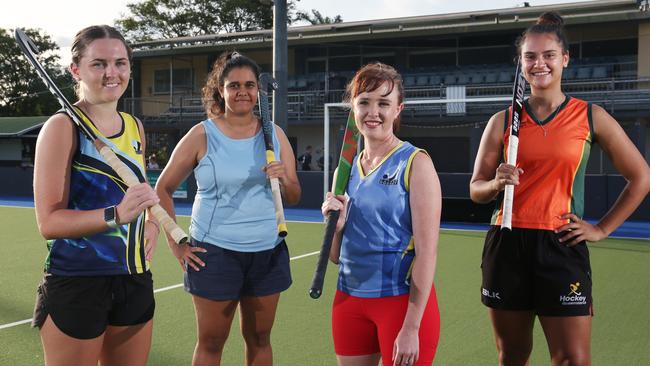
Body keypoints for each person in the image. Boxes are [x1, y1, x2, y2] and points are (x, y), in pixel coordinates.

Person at [470, 12, 650, 366]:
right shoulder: (503, 120)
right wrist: (496, 182)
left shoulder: (590, 116)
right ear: (521, 63)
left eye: (549, 55)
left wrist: (601, 229)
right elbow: (476, 189)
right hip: (507, 243)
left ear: (565, 59)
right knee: (512, 356)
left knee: (573, 359)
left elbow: (641, 176)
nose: (540, 64)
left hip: (561, 245)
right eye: (530, 56)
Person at [155, 51, 301, 366]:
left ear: (258, 91)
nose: (242, 91)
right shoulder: (201, 135)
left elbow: (294, 196)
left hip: (268, 251)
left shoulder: (274, 135)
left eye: (249, 85)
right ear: (220, 90)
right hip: (214, 253)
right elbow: (162, 189)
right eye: (234, 85)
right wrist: (177, 242)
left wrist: (284, 177)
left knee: (260, 338)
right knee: (211, 342)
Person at [31, 25, 160, 366]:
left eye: (120, 63)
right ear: (76, 69)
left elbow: (140, 193)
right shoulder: (62, 127)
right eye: (99, 63)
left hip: (134, 277)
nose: (112, 73)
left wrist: (151, 225)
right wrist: (115, 215)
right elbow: (49, 222)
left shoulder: (134, 126)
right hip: (77, 281)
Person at [321, 63, 441, 366]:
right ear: (353, 107)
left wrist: (412, 327)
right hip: (349, 300)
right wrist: (336, 227)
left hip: (400, 302)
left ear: (398, 109)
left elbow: (427, 253)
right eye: (364, 102)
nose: (372, 111)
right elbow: (336, 257)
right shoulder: (344, 170)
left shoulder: (415, 163)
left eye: (383, 103)